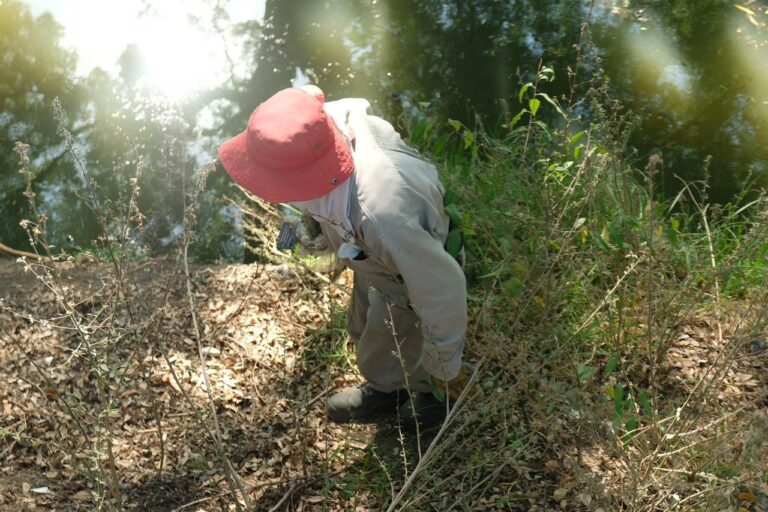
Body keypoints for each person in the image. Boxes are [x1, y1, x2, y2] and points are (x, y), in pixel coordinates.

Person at [218, 85, 472, 431]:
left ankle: (428, 397)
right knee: (363, 322)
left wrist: (443, 370)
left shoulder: (384, 218)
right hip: (371, 257)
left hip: (408, 269)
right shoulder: (320, 129)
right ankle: (387, 383)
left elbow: (442, 292)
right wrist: (311, 228)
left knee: (399, 330)